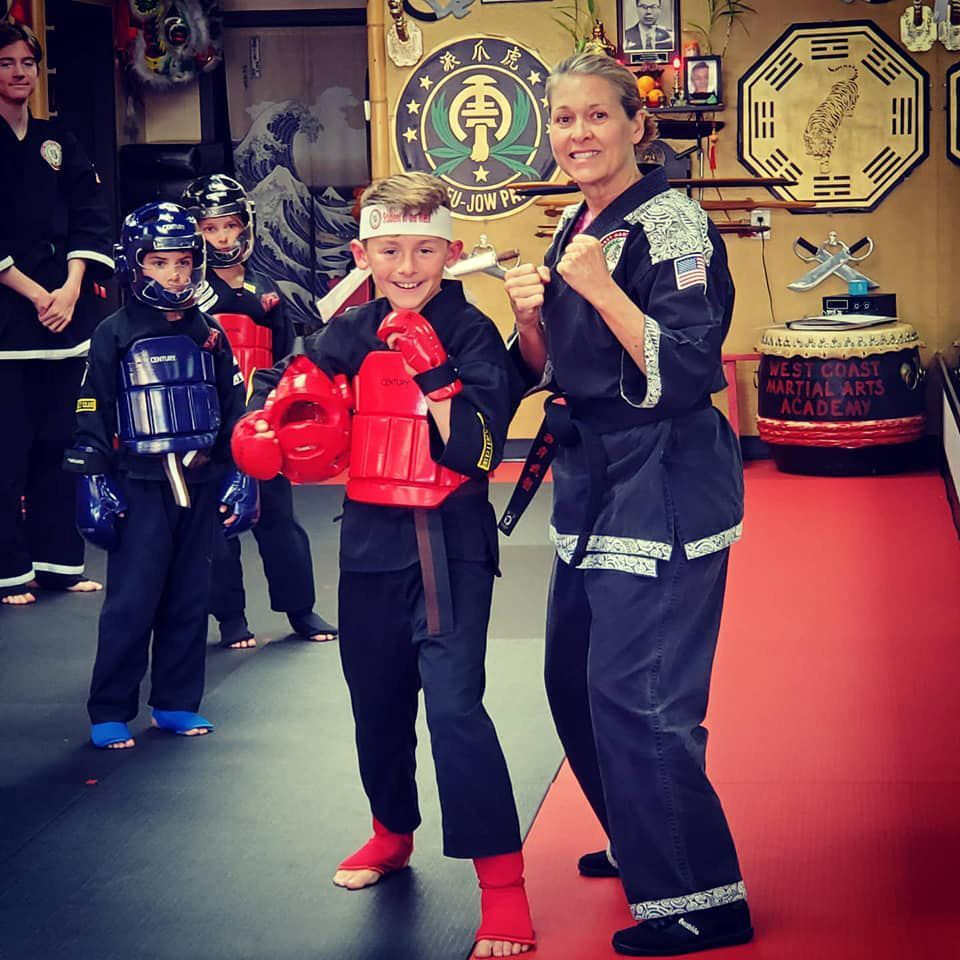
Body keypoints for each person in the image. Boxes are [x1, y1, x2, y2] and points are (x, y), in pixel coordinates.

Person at [232, 172, 535, 959]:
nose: (407, 266)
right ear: (363, 251)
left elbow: (479, 449)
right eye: (391, 249)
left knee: (456, 710)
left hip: (447, 543)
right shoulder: (353, 325)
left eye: (425, 250)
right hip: (367, 538)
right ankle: (391, 832)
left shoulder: (470, 333)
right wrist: (270, 424)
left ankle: (502, 885)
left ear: (451, 252)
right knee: (376, 702)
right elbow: (298, 393)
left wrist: (434, 379)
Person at [502, 53, 751, 957]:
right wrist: (531, 317)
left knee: (639, 696)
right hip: (593, 475)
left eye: (595, 117)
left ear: (635, 125)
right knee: (571, 677)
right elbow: (557, 364)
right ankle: (643, 834)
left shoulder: (676, 223)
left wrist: (601, 288)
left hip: (666, 480)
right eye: (563, 120)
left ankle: (702, 894)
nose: (577, 135)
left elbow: (687, 369)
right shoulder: (581, 216)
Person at [63, 202, 256, 750]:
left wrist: (242, 472)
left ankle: (174, 702)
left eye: (183, 262)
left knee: (190, 597)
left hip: (199, 484)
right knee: (132, 601)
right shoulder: (113, 333)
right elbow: (91, 408)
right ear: (135, 265)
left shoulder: (209, 331)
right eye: (160, 263)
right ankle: (109, 709)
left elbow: (232, 407)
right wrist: (92, 478)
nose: (174, 274)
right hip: (141, 485)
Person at [182, 173, 337, 648]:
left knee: (278, 520)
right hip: (207, 423)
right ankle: (230, 618)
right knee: (219, 523)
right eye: (210, 229)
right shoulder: (184, 289)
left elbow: (285, 357)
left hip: (258, 422)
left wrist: (279, 412)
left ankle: (301, 610)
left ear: (245, 226)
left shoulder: (266, 288)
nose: (223, 238)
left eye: (229, 226)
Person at [0, 22, 113, 606]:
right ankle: (8, 571)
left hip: (62, 315)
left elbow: (91, 211)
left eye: (27, 62)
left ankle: (58, 564)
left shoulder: (58, 138)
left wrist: (70, 286)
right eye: (6, 62)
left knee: (57, 443)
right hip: (8, 314)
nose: (19, 72)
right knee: (8, 450)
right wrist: (32, 292)